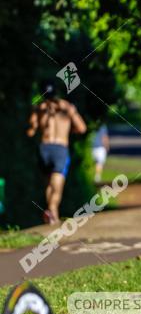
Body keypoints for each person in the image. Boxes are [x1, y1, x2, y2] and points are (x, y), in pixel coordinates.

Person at [26, 81, 86, 224]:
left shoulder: (39, 108)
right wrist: (68, 130)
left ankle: (51, 214)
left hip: (44, 148)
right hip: (60, 149)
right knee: (57, 183)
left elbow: (31, 130)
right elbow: (82, 128)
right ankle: (53, 210)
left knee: (48, 184)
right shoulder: (67, 107)